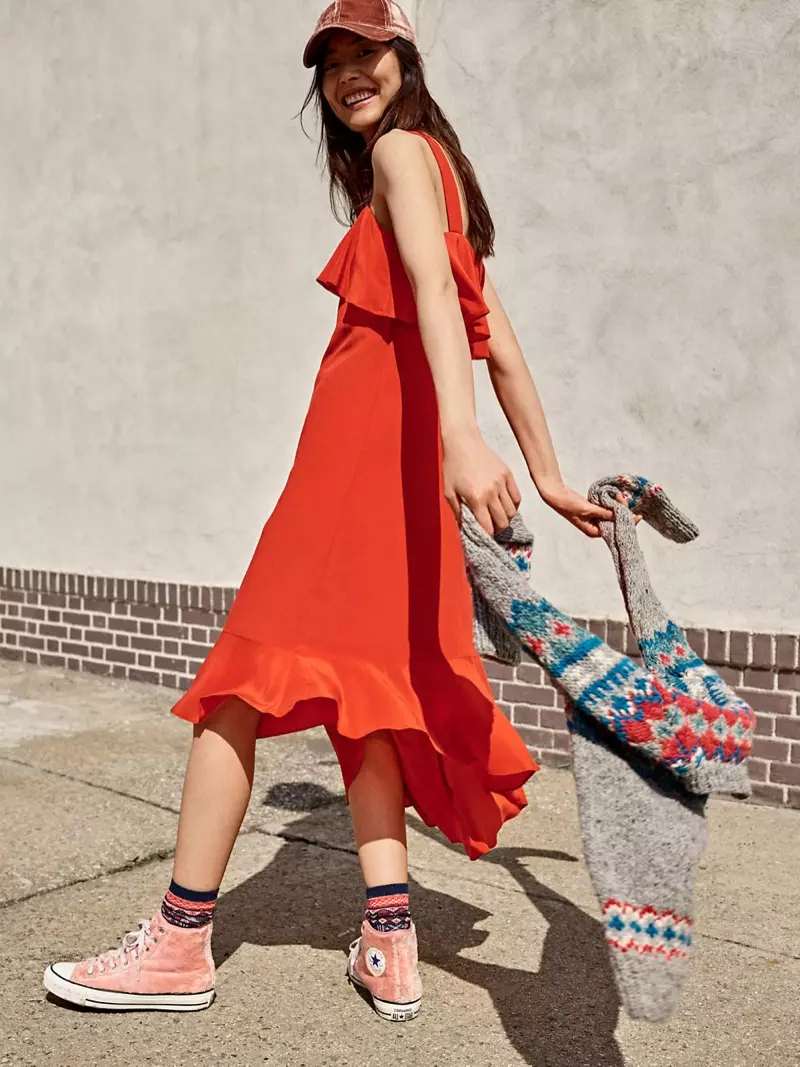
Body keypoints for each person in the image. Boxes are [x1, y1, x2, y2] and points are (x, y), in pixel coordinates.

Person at [43, 0, 613, 1022]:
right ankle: (389, 941)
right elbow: (504, 342)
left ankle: (177, 941)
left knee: (235, 686)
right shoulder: (441, 176)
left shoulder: (401, 151)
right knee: (368, 702)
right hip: (392, 487)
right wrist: (549, 472)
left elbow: (446, 309)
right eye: (335, 62)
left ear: (406, 60)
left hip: (358, 475)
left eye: (369, 54)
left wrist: (460, 437)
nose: (352, 74)